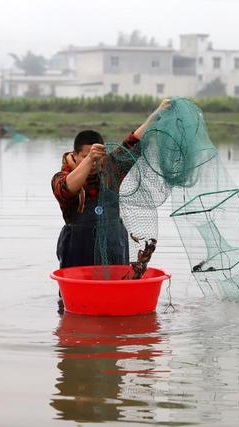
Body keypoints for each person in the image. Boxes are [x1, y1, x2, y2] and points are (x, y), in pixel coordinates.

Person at [52, 99, 169, 312]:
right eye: (86, 157)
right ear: (75, 155)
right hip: (78, 249)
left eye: (97, 157)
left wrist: (158, 113)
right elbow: (67, 188)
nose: (94, 162)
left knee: (116, 298)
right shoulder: (60, 177)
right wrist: (90, 161)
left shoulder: (112, 170)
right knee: (72, 308)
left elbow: (133, 141)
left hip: (114, 243)